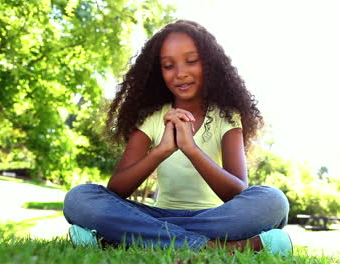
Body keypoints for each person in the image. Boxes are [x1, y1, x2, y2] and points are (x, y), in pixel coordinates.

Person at [63, 19, 292, 255]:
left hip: (214, 218)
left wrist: (191, 149)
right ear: (157, 72)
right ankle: (214, 248)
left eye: (191, 61)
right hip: (155, 215)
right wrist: (161, 151)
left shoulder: (227, 116)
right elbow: (117, 189)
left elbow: (237, 192)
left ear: (209, 64)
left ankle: (122, 239)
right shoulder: (151, 118)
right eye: (168, 66)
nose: (180, 73)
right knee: (79, 198)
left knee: (273, 201)